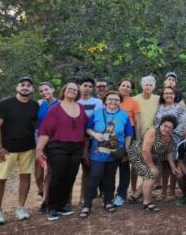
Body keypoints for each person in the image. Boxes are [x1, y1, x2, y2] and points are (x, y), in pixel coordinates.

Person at [0, 77, 39, 225]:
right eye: (22, 85)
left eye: (28, 85)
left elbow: (37, 126)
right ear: (16, 87)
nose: (25, 87)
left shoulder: (34, 105)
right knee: (0, 179)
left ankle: (21, 208)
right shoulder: (5, 104)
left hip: (28, 148)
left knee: (25, 178)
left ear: (32, 89)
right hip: (6, 150)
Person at [37, 82, 88, 221]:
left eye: (75, 89)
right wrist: (39, 148)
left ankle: (62, 205)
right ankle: (51, 207)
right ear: (64, 91)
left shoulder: (81, 108)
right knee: (58, 176)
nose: (72, 91)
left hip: (76, 147)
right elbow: (46, 130)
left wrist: (85, 147)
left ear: (78, 93)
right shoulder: (55, 109)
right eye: (69, 89)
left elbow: (84, 129)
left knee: (70, 176)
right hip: (58, 147)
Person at [80, 91, 133, 218]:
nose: (113, 102)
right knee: (94, 176)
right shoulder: (97, 113)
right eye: (110, 99)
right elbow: (88, 128)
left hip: (115, 152)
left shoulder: (123, 114)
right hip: (98, 151)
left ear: (120, 102)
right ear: (105, 101)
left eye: (116, 99)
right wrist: (94, 134)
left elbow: (129, 133)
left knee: (110, 177)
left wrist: (125, 149)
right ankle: (87, 204)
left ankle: (108, 201)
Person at [128, 115, 179, 211]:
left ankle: (134, 196)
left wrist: (173, 166)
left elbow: (169, 152)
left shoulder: (170, 138)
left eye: (170, 127)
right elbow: (145, 150)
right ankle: (146, 203)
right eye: (165, 126)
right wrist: (151, 166)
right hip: (138, 154)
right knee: (151, 174)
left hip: (152, 157)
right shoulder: (153, 131)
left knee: (156, 173)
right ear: (161, 124)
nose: (167, 129)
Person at [77, 77, 104, 207]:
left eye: (89, 86)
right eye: (84, 85)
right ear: (79, 86)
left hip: (93, 139)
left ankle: (84, 196)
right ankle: (66, 199)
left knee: (87, 169)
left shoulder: (98, 102)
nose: (87, 88)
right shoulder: (74, 100)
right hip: (75, 138)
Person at [113, 78, 140, 206]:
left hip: (129, 135)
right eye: (123, 85)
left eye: (128, 86)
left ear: (131, 89)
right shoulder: (112, 100)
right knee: (110, 165)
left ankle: (121, 194)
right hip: (112, 135)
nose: (125, 88)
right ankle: (109, 193)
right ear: (119, 86)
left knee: (124, 164)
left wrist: (138, 138)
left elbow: (137, 121)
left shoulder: (133, 102)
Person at [35, 82, 59, 214]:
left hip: (54, 139)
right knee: (38, 173)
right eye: (41, 91)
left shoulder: (60, 103)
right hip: (38, 139)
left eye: (46, 89)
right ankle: (42, 191)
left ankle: (45, 201)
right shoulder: (39, 104)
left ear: (52, 89)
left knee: (49, 170)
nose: (44, 92)